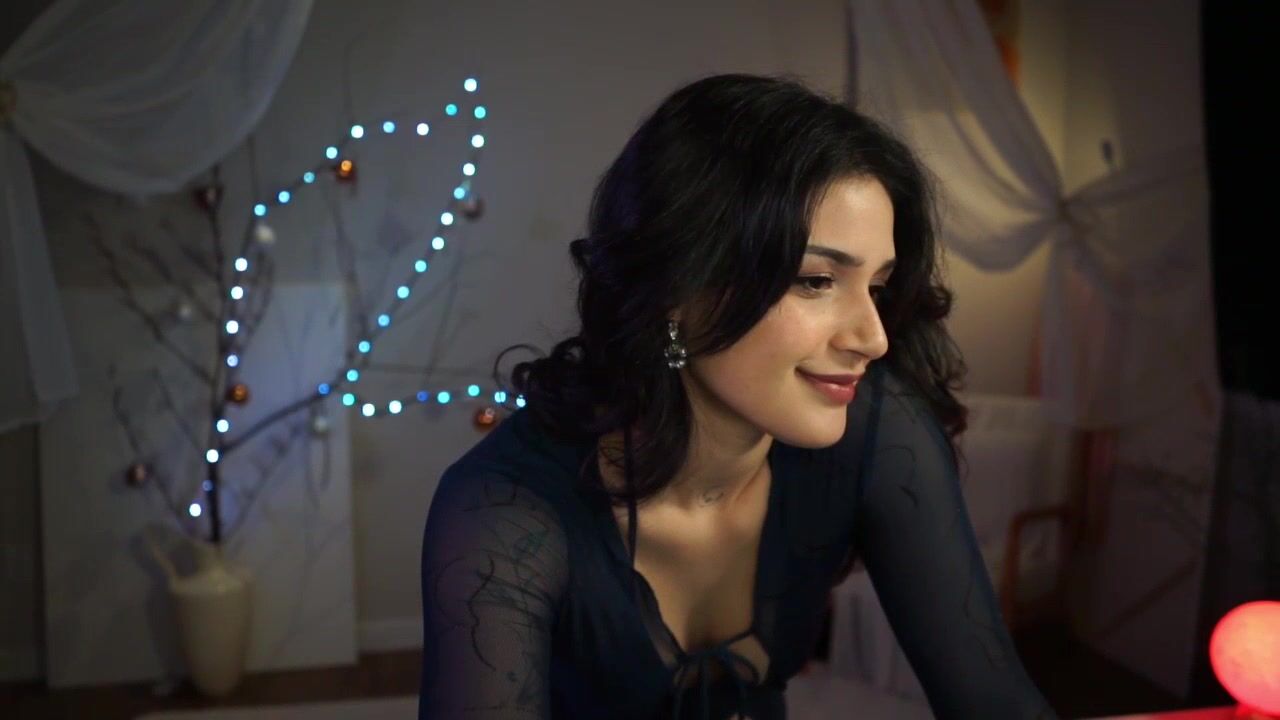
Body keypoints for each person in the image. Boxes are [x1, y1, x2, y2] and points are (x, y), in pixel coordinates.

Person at [418, 73, 1058, 719]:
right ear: (676, 287)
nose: (873, 338)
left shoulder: (875, 428)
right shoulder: (504, 513)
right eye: (816, 280)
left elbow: (996, 705)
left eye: (878, 287)